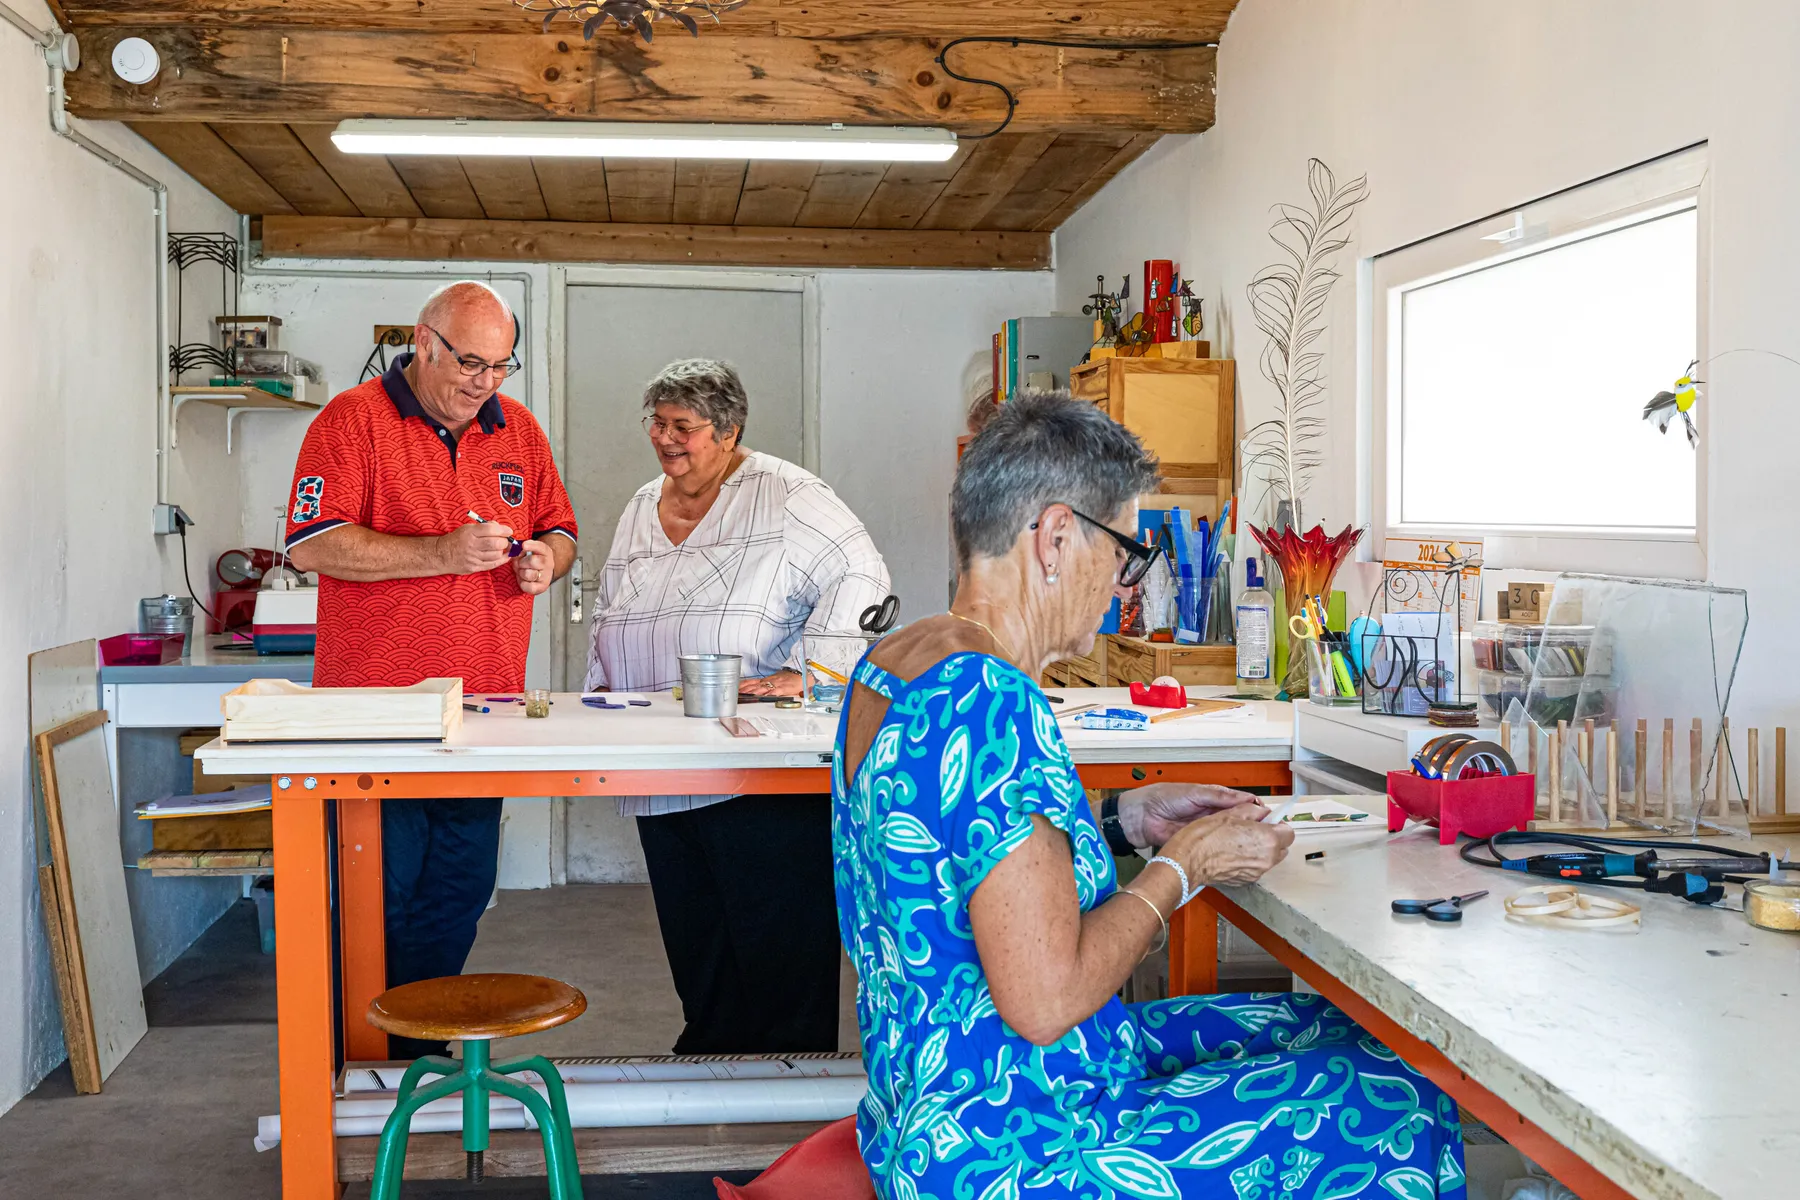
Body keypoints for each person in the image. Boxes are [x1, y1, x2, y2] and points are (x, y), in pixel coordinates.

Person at [833, 392, 1467, 1199]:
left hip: (929, 1107)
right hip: (1018, 1140)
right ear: (1056, 536)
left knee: (1340, 1027)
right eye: (1127, 551)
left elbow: (950, 858)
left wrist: (1121, 821)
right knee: (1401, 1091)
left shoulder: (898, 661)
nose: (1127, 582)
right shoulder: (992, 699)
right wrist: (1181, 868)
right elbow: (1045, 999)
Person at [286, 281, 578, 1058]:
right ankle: (359, 1057)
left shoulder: (518, 430)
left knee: (457, 891)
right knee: (375, 899)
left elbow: (559, 525)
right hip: (372, 722)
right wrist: (442, 553)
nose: (483, 382)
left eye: (501, 366)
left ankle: (416, 1049)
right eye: (470, 362)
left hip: (482, 715)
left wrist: (549, 558)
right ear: (423, 341)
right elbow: (312, 543)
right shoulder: (351, 421)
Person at [585, 358, 889, 1055]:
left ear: (728, 431)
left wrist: (808, 672)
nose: (666, 440)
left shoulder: (785, 494)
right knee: (700, 947)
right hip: (662, 762)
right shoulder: (642, 503)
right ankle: (713, 1074)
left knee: (780, 954)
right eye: (657, 424)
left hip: (760, 766)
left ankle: (788, 1097)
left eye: (683, 428)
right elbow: (611, 605)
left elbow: (860, 571)